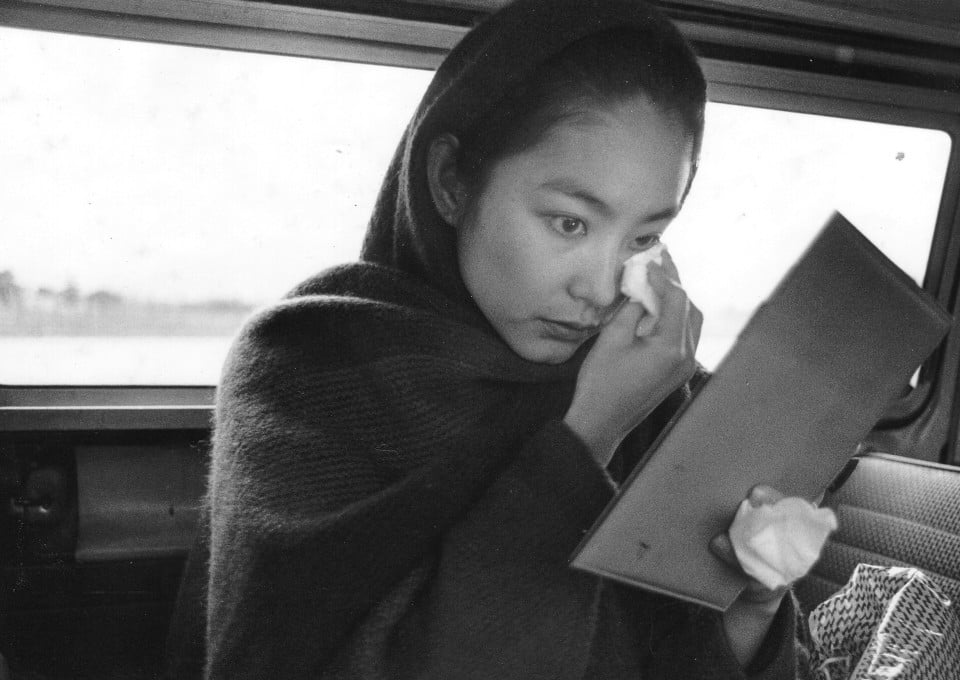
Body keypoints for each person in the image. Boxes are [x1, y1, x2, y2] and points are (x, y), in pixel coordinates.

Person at [165, 0, 809, 677]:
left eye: (644, 238)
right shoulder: (306, 366)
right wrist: (586, 440)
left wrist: (752, 609)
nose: (602, 288)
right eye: (569, 224)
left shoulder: (654, 392)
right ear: (451, 182)